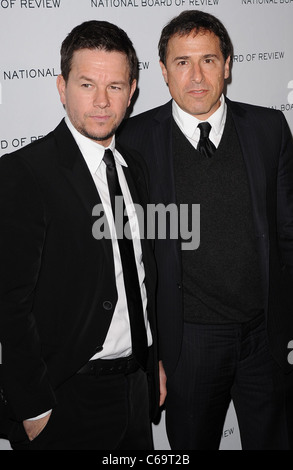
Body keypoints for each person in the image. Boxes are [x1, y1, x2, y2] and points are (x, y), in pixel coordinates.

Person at [118, 10, 293, 450]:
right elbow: (127, 252)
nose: (196, 76)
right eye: (182, 62)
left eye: (209, 60)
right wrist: (148, 352)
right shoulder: (133, 139)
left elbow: (288, 232)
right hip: (187, 343)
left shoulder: (269, 129)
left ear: (228, 64)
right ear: (162, 71)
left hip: (264, 336)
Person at [0, 20, 166, 450]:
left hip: (136, 388)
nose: (100, 101)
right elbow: (10, 305)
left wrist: (153, 362)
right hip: (66, 397)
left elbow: (140, 277)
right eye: (87, 84)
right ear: (61, 86)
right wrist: (34, 408)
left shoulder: (136, 166)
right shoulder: (24, 174)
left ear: (132, 92)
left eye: (114, 87)